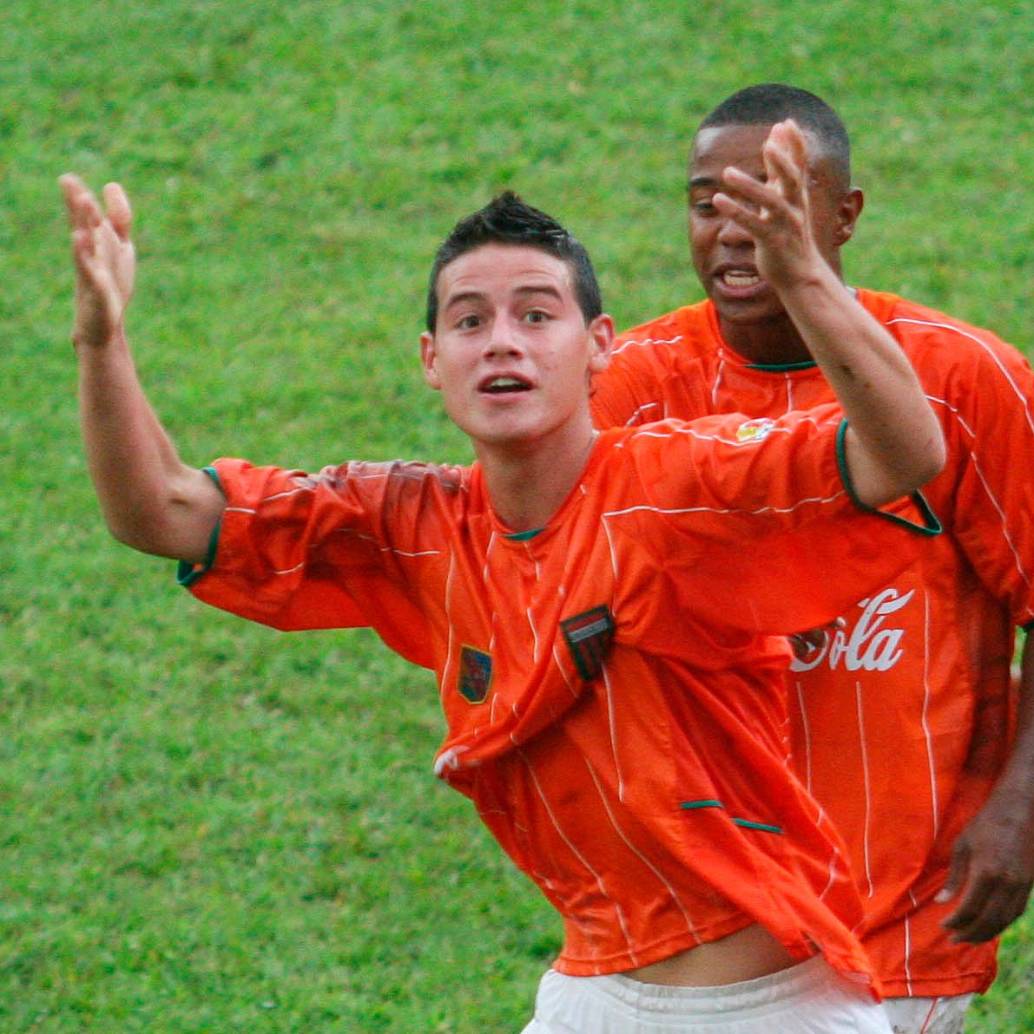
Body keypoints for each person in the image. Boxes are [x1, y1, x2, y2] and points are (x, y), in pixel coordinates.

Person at [61, 121, 944, 1032]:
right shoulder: (411, 525)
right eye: (469, 321)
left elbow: (907, 454)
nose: (501, 343)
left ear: (600, 345)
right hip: (589, 998)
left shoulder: (684, 487)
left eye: (535, 314)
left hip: (775, 1007)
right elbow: (158, 512)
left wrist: (801, 278)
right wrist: (101, 340)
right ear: (431, 361)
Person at [591, 83, 1034, 1034]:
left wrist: (1019, 807)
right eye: (710, 204)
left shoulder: (965, 380)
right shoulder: (631, 385)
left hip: (898, 929)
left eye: (771, 202)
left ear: (845, 215)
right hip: (699, 939)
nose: (734, 231)